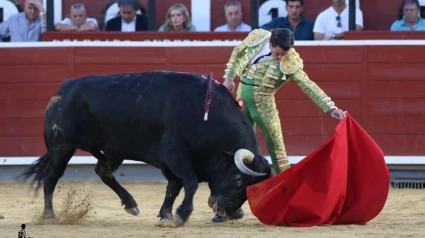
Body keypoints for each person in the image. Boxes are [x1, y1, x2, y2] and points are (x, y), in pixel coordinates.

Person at [212, 28, 346, 222]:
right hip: (242, 100)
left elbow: (307, 84)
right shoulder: (258, 38)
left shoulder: (289, 58)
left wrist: (329, 107)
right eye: (277, 53)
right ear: (271, 43)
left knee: (278, 153)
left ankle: (289, 203)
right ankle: (227, 206)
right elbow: (238, 51)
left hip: (265, 106)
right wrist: (229, 76)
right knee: (238, 152)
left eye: (283, 54)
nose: (280, 57)